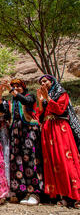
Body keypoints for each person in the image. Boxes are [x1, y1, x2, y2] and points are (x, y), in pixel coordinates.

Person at [37, 75, 80, 208]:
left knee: (65, 160)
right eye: (41, 82)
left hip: (60, 128)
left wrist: (48, 98)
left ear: (52, 81)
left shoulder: (62, 94)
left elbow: (60, 109)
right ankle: (63, 196)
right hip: (48, 130)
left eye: (46, 81)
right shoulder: (43, 96)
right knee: (53, 162)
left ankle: (76, 195)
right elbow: (40, 115)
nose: (43, 83)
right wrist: (40, 101)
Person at [0, 79, 43, 205]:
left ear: (23, 87)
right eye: (13, 86)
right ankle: (22, 191)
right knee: (17, 160)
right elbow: (3, 111)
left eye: (18, 86)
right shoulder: (11, 102)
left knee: (30, 158)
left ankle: (34, 192)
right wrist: (0, 94)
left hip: (29, 130)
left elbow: (26, 101)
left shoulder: (30, 97)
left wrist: (12, 91)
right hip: (15, 132)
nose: (16, 88)